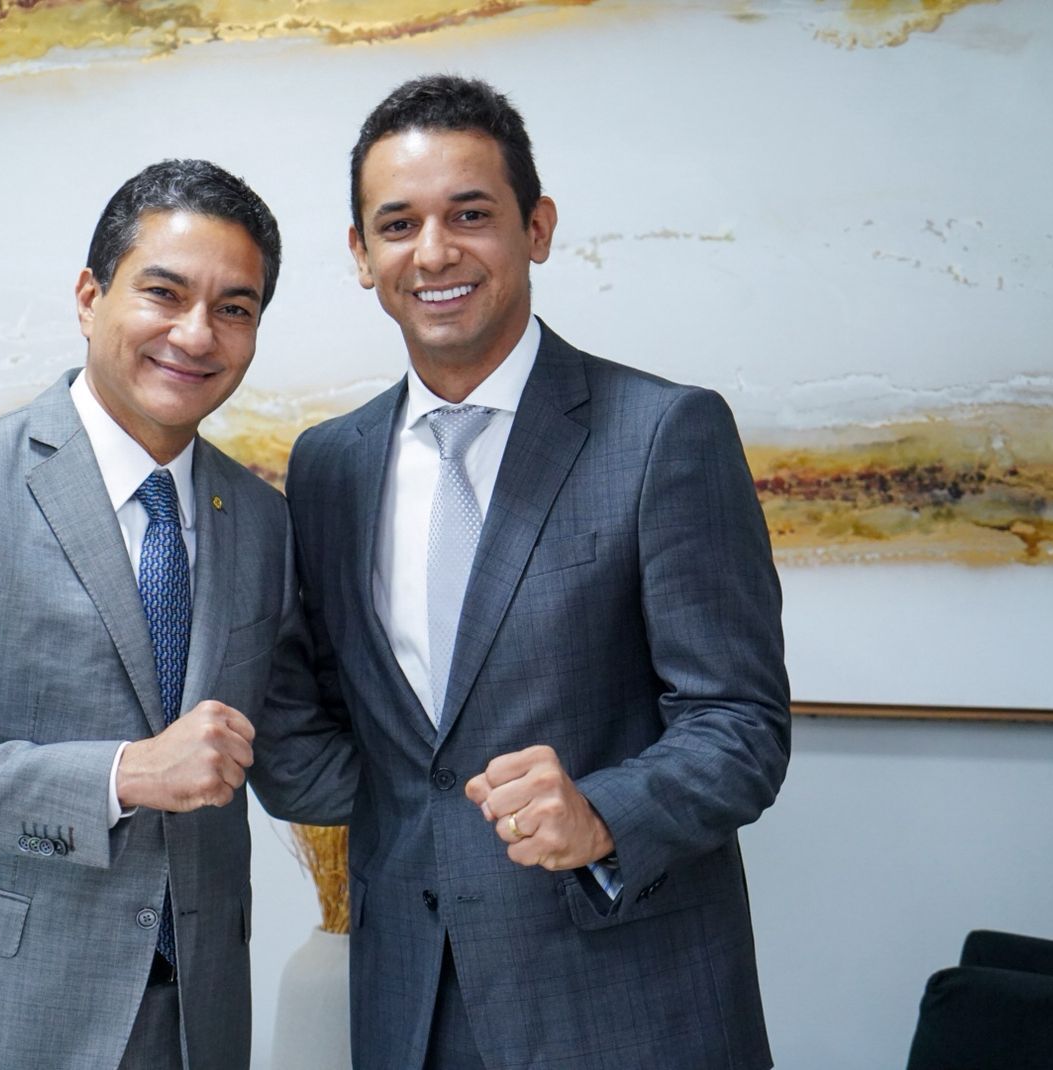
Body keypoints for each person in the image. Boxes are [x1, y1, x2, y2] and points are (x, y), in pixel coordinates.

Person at [281, 75, 791, 1069]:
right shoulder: (327, 465)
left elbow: (740, 725)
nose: (434, 252)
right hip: (407, 1003)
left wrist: (601, 813)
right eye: (398, 224)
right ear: (361, 254)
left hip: (623, 1004)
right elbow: (337, 720)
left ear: (538, 228)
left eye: (470, 214)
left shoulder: (663, 433)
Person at [0, 158, 350, 1070]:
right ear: (89, 297)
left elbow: (294, 761)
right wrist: (126, 774)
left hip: (189, 1021)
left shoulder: (262, 520)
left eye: (234, 308)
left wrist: (473, 765)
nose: (196, 334)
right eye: (164, 293)